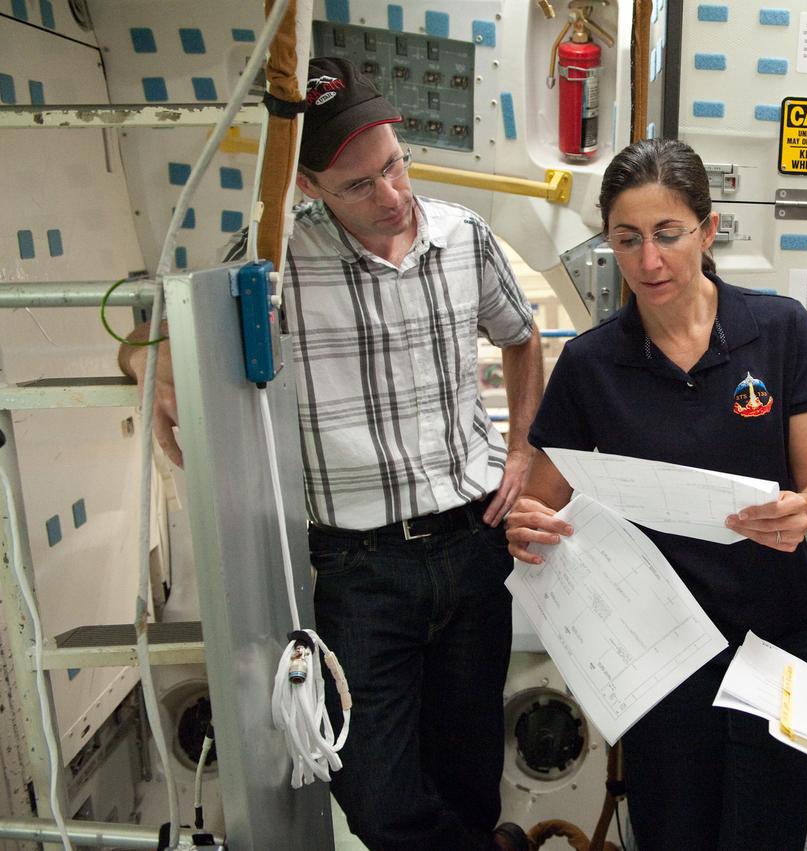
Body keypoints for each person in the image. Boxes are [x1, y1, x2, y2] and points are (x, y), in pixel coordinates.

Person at [119, 57, 540, 851]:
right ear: (307, 186)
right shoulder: (269, 260)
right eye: (359, 185)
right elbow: (155, 331)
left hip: (472, 544)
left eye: (395, 166)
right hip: (361, 569)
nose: (391, 196)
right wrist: (146, 362)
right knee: (376, 799)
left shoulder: (463, 237)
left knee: (468, 781)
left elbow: (522, 338)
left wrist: (519, 448)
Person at [504, 137, 807, 850]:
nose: (649, 262)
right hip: (655, 648)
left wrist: (805, 509)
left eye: (667, 235)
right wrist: (528, 527)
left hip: (771, 633)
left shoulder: (777, 330)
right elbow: (543, 502)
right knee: (674, 832)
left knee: (766, 831)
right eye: (627, 241)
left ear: (708, 229)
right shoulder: (593, 363)